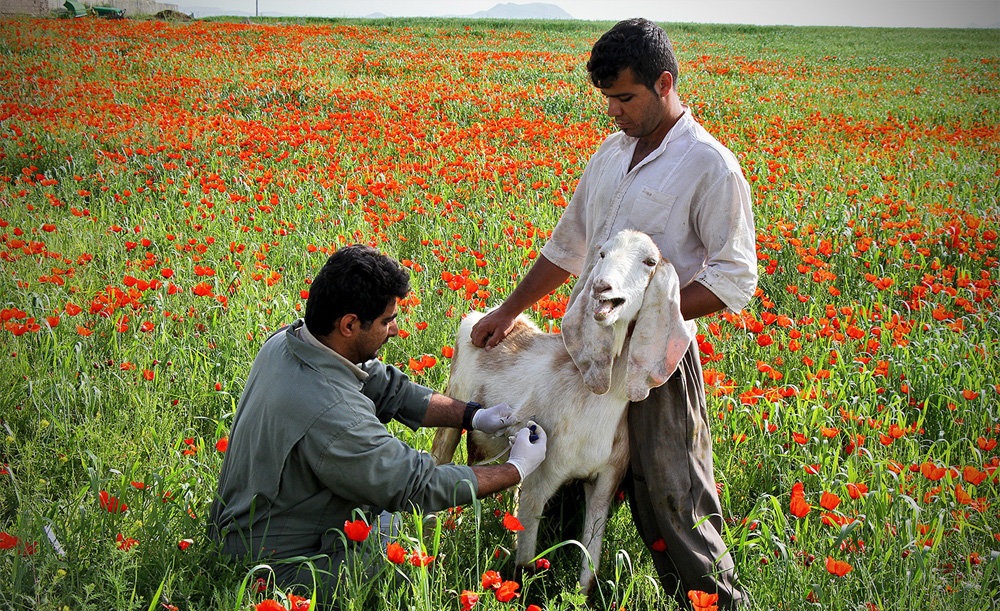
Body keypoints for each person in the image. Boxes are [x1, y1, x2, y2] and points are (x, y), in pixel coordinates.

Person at [470, 18, 757, 610]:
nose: (615, 113)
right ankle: (548, 581)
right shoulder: (612, 151)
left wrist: (642, 315)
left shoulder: (711, 167)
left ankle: (715, 601)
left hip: (654, 363)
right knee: (551, 462)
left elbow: (734, 280)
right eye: (608, 100)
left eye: (625, 98)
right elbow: (569, 245)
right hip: (580, 349)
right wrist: (509, 309)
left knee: (670, 491)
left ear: (665, 83)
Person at [209, 244, 548, 605]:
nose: (396, 330)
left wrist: (472, 415)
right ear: (350, 324)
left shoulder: (289, 343)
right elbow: (418, 485)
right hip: (280, 570)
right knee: (400, 536)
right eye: (387, 321)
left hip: (245, 527)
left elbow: (388, 388)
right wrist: (517, 468)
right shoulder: (334, 414)